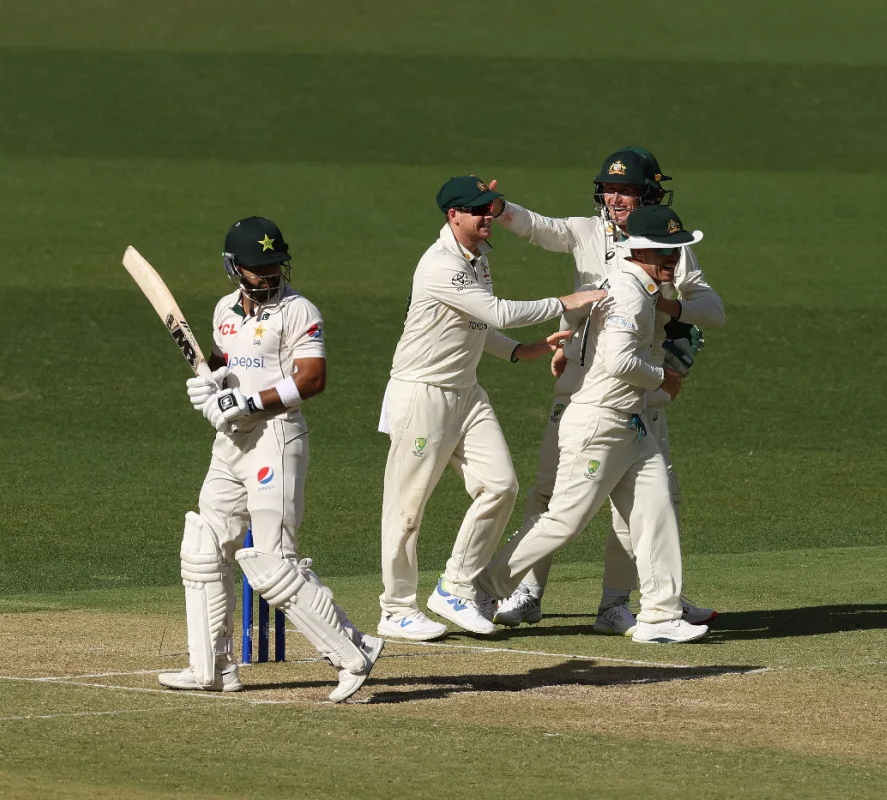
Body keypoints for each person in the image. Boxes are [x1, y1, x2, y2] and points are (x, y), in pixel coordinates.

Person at [489, 147, 725, 634]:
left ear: (650, 195)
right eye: (611, 189)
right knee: (552, 496)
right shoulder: (588, 232)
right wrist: (500, 211)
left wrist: (670, 310)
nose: (617, 198)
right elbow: (538, 228)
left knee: (649, 499)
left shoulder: (667, 245)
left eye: (628, 190)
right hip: (586, 385)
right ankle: (520, 590)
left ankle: (622, 604)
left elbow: (712, 309)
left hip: (638, 392)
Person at [158, 216, 382, 703]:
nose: (270, 274)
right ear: (234, 268)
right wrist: (212, 383)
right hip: (230, 443)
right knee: (204, 545)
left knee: (271, 562)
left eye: (276, 264)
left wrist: (249, 402)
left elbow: (312, 379)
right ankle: (212, 668)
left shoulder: (298, 310)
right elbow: (227, 364)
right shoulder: (223, 310)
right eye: (259, 267)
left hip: (276, 437)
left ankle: (351, 654)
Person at [375, 176, 607, 641]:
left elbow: (476, 326)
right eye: (478, 210)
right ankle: (396, 608)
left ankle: (456, 587)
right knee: (407, 507)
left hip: (465, 391)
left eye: (490, 208)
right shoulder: (441, 265)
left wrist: (521, 351)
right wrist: (567, 301)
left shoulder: (477, 257)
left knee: (501, 486)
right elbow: (495, 312)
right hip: (423, 393)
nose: (488, 218)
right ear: (453, 215)